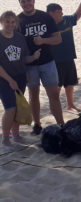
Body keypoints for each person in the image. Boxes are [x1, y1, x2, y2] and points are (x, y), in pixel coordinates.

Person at [17, 0, 64, 135]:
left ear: (33, 0)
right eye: (23, 1)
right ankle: (37, 124)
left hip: (47, 62)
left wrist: (43, 40)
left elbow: (58, 39)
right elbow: (16, 46)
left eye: (28, 0)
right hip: (30, 66)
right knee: (33, 95)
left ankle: (61, 124)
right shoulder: (18, 21)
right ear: (20, 3)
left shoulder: (45, 17)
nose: (26, 4)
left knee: (54, 95)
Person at [0, 11, 40, 145]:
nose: (10, 25)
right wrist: (10, 80)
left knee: (17, 107)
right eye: (7, 22)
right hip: (4, 78)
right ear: (2, 22)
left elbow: (24, 58)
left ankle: (15, 134)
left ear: (16, 23)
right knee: (10, 108)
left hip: (20, 77)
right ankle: (5, 137)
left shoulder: (19, 37)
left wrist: (33, 58)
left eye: (12, 22)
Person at [47, 0, 81, 113]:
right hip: (55, 60)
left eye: (61, 11)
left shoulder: (66, 20)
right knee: (57, 86)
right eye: (58, 12)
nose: (61, 13)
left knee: (70, 83)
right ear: (51, 14)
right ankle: (55, 106)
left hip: (69, 57)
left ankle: (70, 105)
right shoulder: (47, 26)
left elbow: (77, 15)